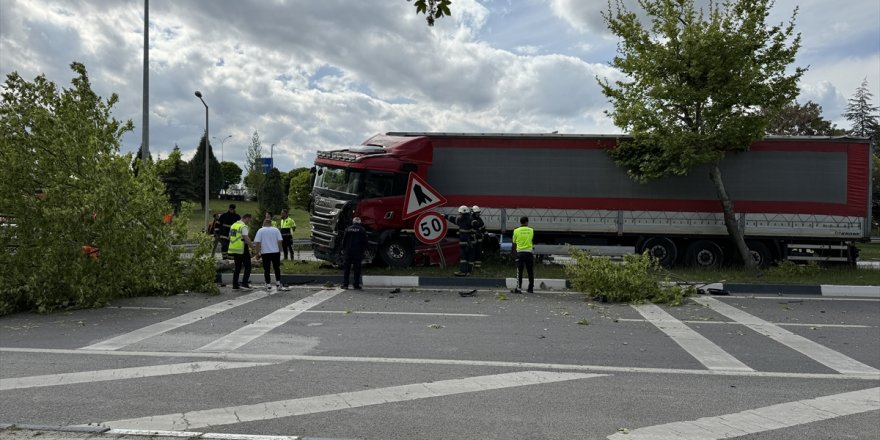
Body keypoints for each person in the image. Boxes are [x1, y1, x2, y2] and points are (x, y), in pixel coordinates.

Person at [254, 218, 287, 291]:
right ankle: (278, 283)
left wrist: (257, 253)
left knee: (266, 269)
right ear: (270, 223)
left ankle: (268, 284)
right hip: (275, 252)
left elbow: (258, 243)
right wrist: (280, 250)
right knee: (276, 268)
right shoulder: (276, 230)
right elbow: (280, 241)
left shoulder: (260, 230)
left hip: (265, 252)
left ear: (264, 223)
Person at [341, 217, 368, 290]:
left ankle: (345, 284)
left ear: (353, 222)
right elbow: (365, 241)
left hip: (348, 251)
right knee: (357, 269)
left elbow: (344, 240)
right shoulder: (362, 230)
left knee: (347, 268)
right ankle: (356, 284)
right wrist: (364, 250)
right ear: (360, 222)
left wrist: (343, 249)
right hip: (358, 252)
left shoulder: (348, 229)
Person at [228, 213, 254, 290]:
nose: (249, 222)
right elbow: (246, 238)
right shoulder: (243, 226)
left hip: (234, 249)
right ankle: (245, 284)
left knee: (237, 267)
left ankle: (235, 285)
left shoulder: (233, 225)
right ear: (246, 218)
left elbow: (230, 237)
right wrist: (252, 247)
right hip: (242, 248)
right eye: (249, 220)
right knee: (248, 266)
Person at [449, 205, 474, 276]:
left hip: (465, 243)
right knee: (469, 257)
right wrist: (445, 216)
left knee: (463, 258)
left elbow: (453, 219)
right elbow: (453, 219)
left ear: (462, 213)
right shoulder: (470, 219)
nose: (459, 214)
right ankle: (469, 272)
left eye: (460, 213)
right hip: (469, 242)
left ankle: (463, 272)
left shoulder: (462, 220)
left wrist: (445, 216)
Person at [512, 216, 535, 294]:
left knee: (519, 271)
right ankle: (530, 288)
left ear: (520, 222)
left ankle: (518, 289)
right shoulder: (531, 230)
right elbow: (531, 239)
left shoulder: (516, 231)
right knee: (530, 271)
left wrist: (514, 254)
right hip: (529, 253)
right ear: (527, 222)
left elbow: (514, 243)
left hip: (520, 253)